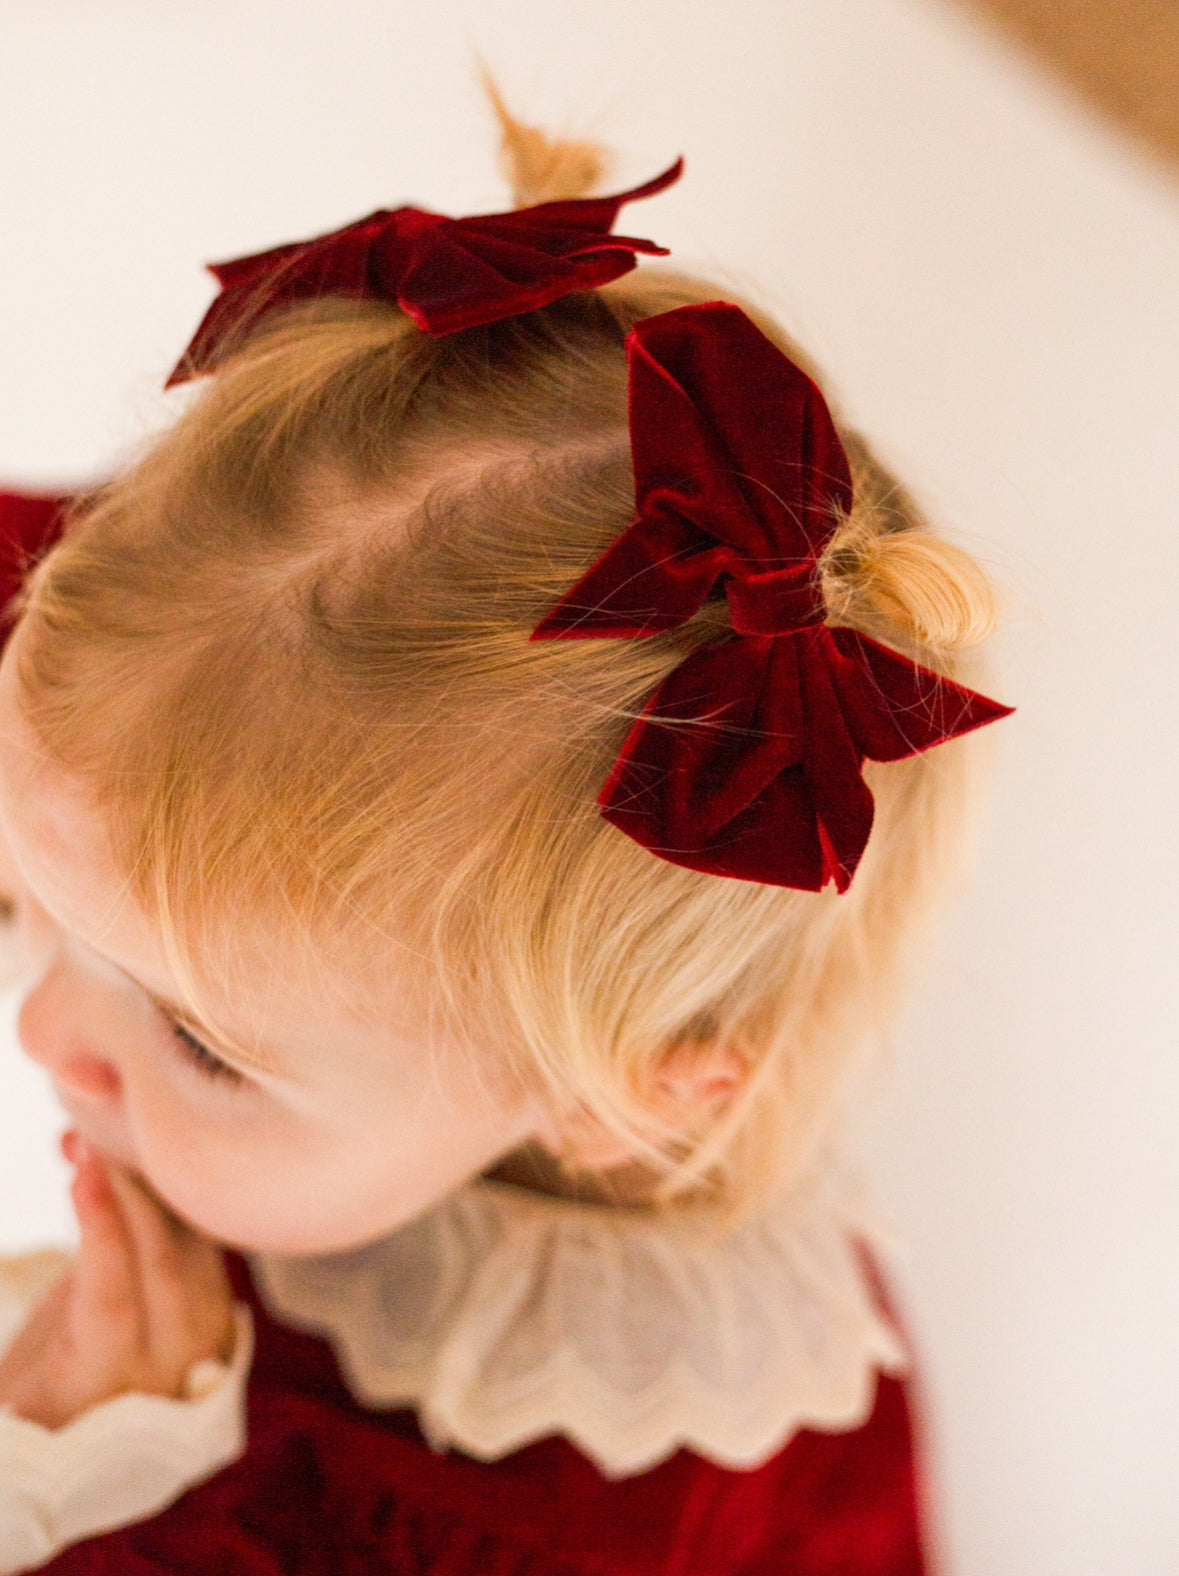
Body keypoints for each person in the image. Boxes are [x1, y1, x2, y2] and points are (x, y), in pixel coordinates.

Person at [0, 98, 1012, 1575]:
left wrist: (86, 1486)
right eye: (38, 899)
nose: (45, 1031)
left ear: (616, 1102)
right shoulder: (228, 694)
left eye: (205, 1047)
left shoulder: (549, 1502)